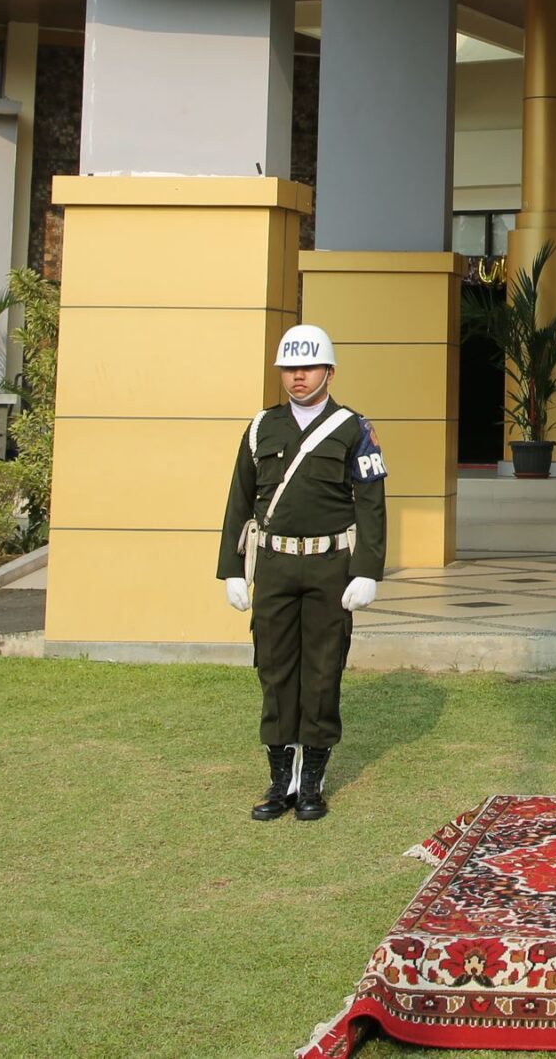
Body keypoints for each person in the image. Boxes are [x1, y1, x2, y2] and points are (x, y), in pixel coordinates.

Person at [217, 325, 386, 823]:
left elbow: (372, 506)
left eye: (307, 368)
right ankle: (278, 782)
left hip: (330, 566)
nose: (297, 377)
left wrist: (368, 571)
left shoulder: (354, 429)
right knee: (274, 669)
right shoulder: (260, 428)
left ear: (328, 372)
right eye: (290, 369)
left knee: (321, 671)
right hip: (274, 565)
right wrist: (232, 570)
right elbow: (238, 501)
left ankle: (311, 781)